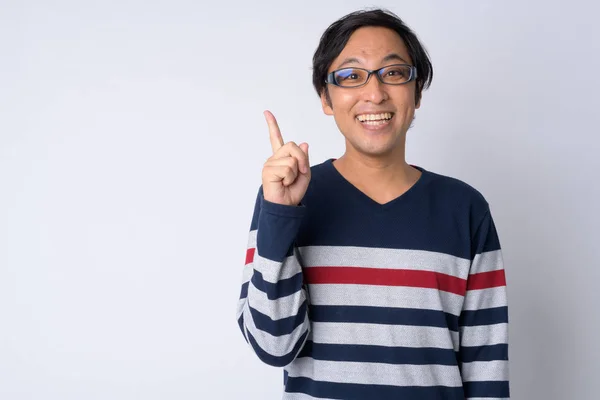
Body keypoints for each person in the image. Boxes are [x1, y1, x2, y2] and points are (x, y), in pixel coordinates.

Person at [236, 8, 509, 400]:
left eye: (394, 73)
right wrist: (280, 216)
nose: (374, 92)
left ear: (417, 92)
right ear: (326, 98)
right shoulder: (283, 196)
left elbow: (487, 366)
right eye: (351, 75)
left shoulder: (465, 208)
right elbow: (272, 346)